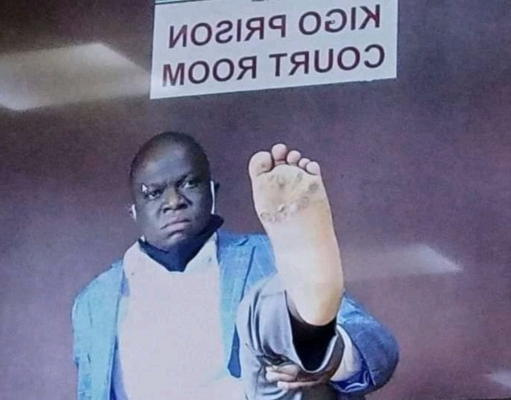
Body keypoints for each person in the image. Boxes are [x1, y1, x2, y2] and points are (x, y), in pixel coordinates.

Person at [72, 131, 398, 400]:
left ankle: (313, 340)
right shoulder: (94, 302)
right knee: (269, 310)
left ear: (213, 193)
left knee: (270, 307)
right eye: (153, 193)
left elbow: (377, 347)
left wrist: (334, 360)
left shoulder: (269, 256)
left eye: (189, 183)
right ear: (134, 211)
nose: (174, 202)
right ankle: (304, 336)